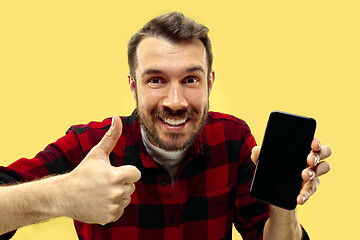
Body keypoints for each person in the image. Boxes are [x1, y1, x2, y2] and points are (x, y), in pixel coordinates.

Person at [0, 12, 332, 240]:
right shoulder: (91, 145)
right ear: (133, 85)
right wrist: (63, 195)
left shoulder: (233, 139)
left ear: (209, 83)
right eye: (156, 80)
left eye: (190, 79)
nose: (175, 100)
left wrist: (282, 200)